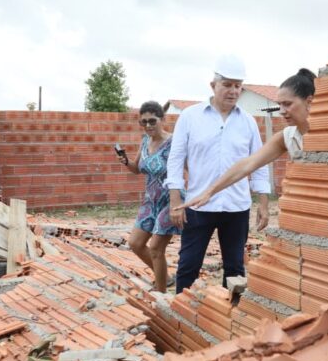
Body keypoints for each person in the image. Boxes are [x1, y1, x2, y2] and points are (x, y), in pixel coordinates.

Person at [165, 55, 271, 294]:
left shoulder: (248, 123)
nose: (233, 91)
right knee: (188, 265)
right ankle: (183, 313)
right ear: (213, 85)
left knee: (235, 268)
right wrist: (175, 200)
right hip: (198, 206)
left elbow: (259, 163)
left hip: (237, 207)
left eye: (237, 85)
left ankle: (229, 317)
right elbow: (175, 160)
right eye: (227, 85)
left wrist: (264, 204)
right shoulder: (190, 117)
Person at [176, 68, 315, 211]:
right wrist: (209, 192)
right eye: (279, 104)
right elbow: (248, 164)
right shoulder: (287, 137)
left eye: (287, 104)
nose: (281, 110)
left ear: (309, 102)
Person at [118, 101, 180, 292]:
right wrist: (126, 161)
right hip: (150, 201)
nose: (148, 126)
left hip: (170, 200)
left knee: (155, 249)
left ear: (163, 119)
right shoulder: (145, 141)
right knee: (135, 244)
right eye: (143, 122)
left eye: (152, 121)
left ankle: (160, 294)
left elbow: (187, 170)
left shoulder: (173, 142)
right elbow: (137, 169)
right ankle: (165, 277)